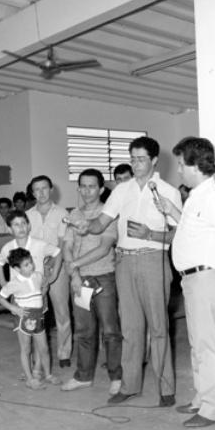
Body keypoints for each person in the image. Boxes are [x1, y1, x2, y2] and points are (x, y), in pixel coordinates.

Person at [72, 136, 182, 406]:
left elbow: (179, 234)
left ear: (155, 160)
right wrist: (87, 226)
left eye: (141, 159)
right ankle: (130, 385)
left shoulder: (168, 191)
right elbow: (101, 223)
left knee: (158, 327)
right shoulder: (122, 190)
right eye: (132, 158)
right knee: (130, 328)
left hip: (153, 259)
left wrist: (150, 234)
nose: (135, 164)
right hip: (124, 262)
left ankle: (165, 389)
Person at [153, 137, 215, 427]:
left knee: (209, 345)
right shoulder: (197, 196)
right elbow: (199, 230)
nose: (179, 170)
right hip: (194, 280)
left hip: (206, 277)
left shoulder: (212, 197)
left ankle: (213, 408)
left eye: (182, 164)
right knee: (198, 344)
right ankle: (202, 398)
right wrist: (172, 211)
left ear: (196, 166)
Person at [61, 168, 122, 395]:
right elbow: (67, 246)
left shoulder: (108, 214)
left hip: (103, 276)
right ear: (78, 188)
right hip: (79, 280)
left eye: (92, 186)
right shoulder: (74, 214)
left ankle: (116, 376)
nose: (87, 191)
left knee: (110, 331)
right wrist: (75, 275)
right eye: (83, 186)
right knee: (84, 331)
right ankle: (83, 376)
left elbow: (104, 247)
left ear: (101, 189)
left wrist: (74, 265)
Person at [0, 210, 63, 381]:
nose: (21, 228)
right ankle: (29, 370)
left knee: (41, 337)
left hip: (39, 297)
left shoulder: (39, 244)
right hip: (20, 301)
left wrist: (51, 277)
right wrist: (4, 284)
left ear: (29, 225)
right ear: (10, 229)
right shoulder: (8, 247)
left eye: (23, 223)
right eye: (16, 225)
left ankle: (38, 370)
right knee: (25, 338)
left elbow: (57, 253)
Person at [26, 175, 72, 368]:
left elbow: (62, 244)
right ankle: (38, 354)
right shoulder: (27, 215)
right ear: (32, 192)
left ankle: (64, 353)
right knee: (35, 313)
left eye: (44, 188)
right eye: (37, 189)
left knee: (62, 312)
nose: (41, 193)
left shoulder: (62, 213)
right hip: (33, 269)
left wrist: (54, 265)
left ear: (51, 189)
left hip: (57, 265)